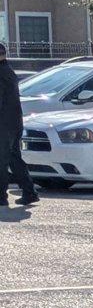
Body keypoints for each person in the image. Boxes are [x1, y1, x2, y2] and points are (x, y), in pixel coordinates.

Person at [0, 41, 39, 208]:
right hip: (13, 122)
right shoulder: (8, 71)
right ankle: (30, 192)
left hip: (4, 123)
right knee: (14, 158)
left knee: (2, 160)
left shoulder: (2, 73)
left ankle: (1, 197)